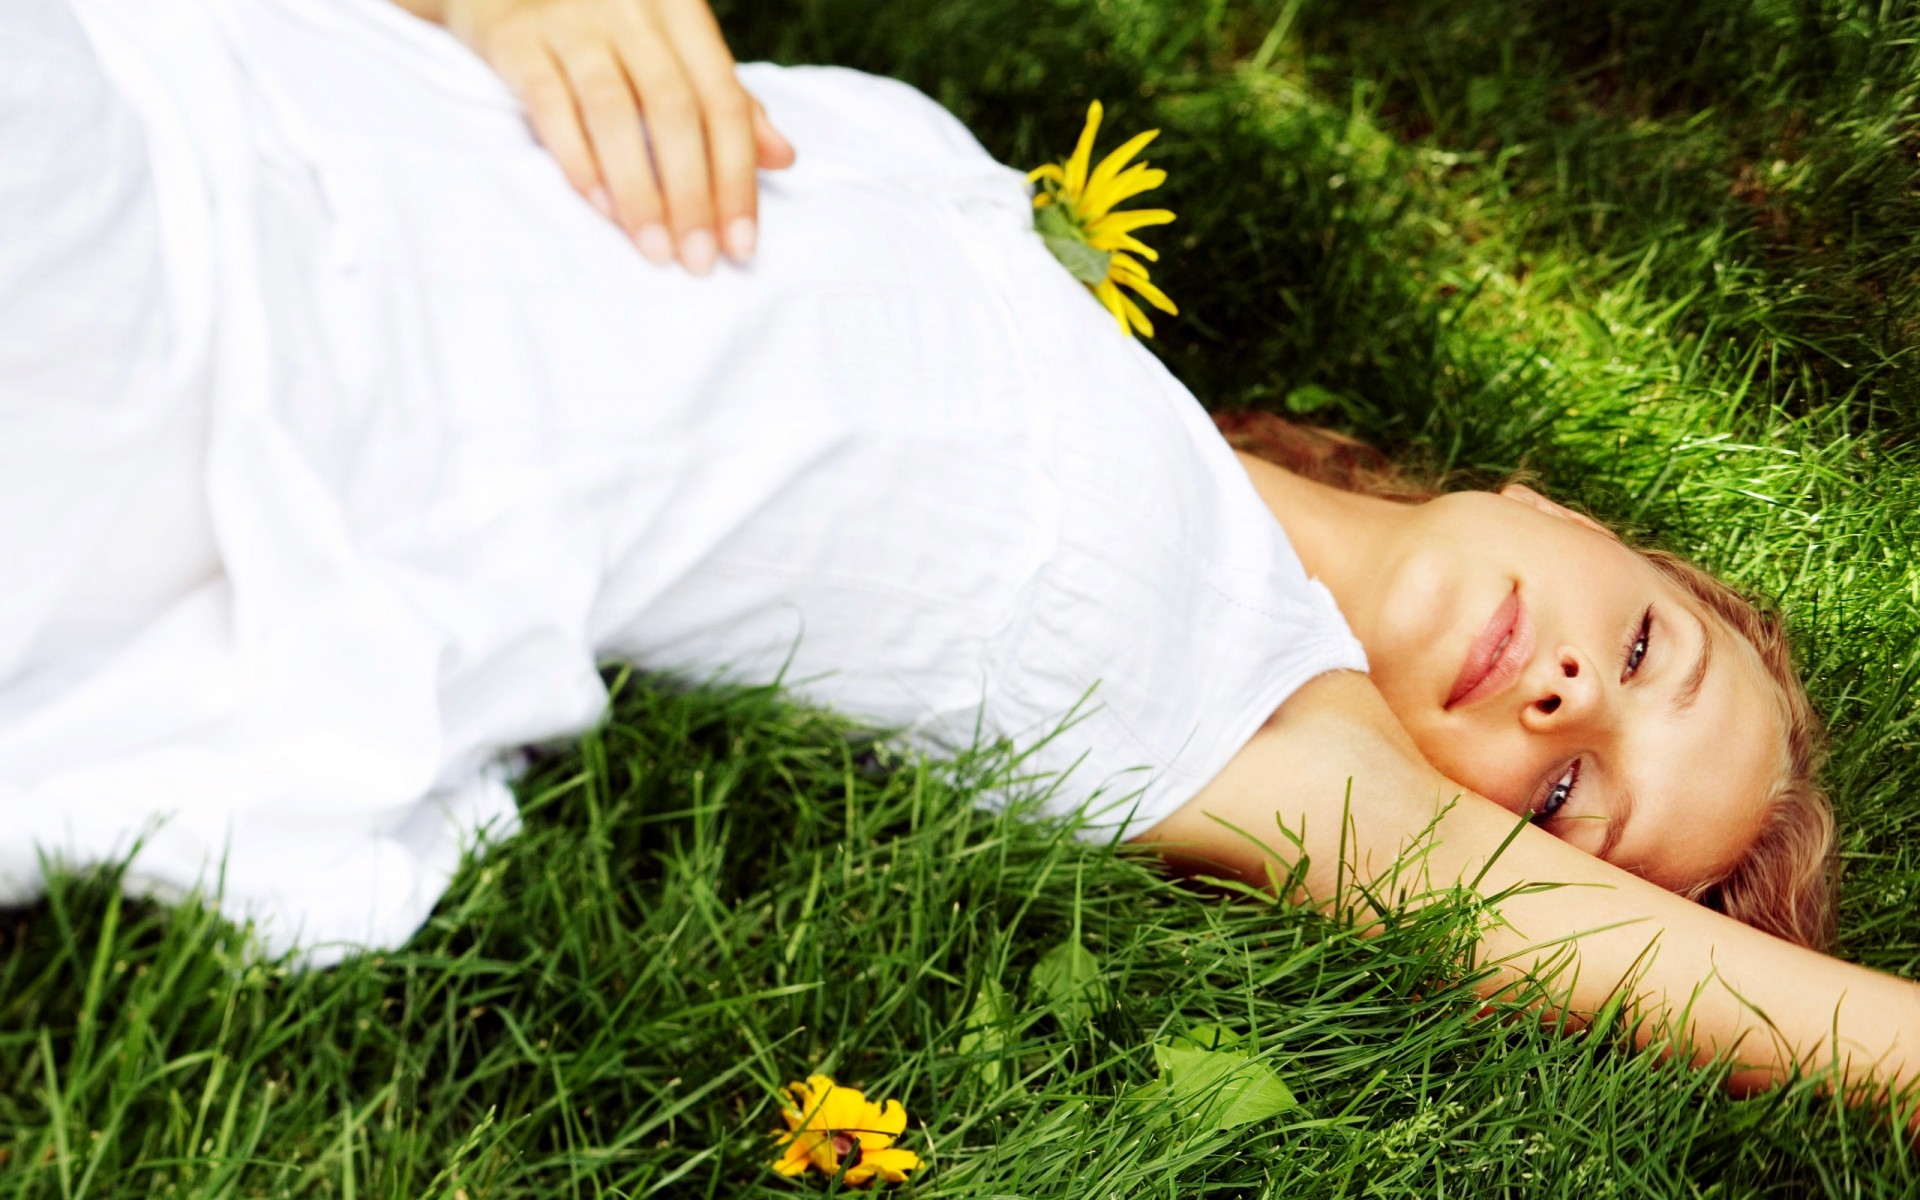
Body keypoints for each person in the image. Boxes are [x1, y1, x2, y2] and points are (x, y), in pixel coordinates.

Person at [4, 0, 1913, 1118]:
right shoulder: (1041, 262)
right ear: (1565, 514)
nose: (1574, 706)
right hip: (209, 82)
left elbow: (1650, 975)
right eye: (1649, 653)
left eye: (1572, 799)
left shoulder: (1258, 723)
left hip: (206, 378)